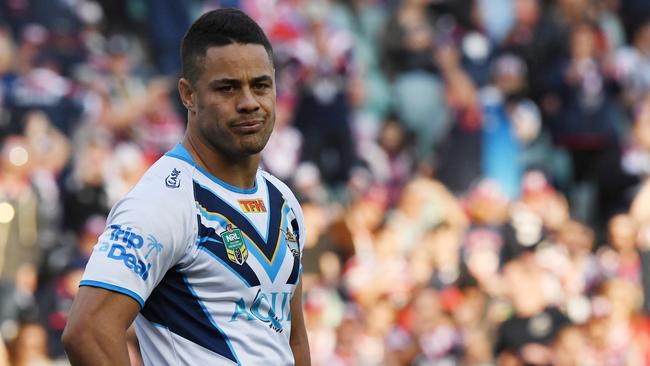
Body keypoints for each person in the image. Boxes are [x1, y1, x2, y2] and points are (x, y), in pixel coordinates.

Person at [61, 8, 311, 365]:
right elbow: (88, 331)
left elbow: (293, 341)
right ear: (188, 95)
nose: (248, 102)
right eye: (227, 88)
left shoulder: (283, 200)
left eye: (260, 85)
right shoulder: (162, 200)